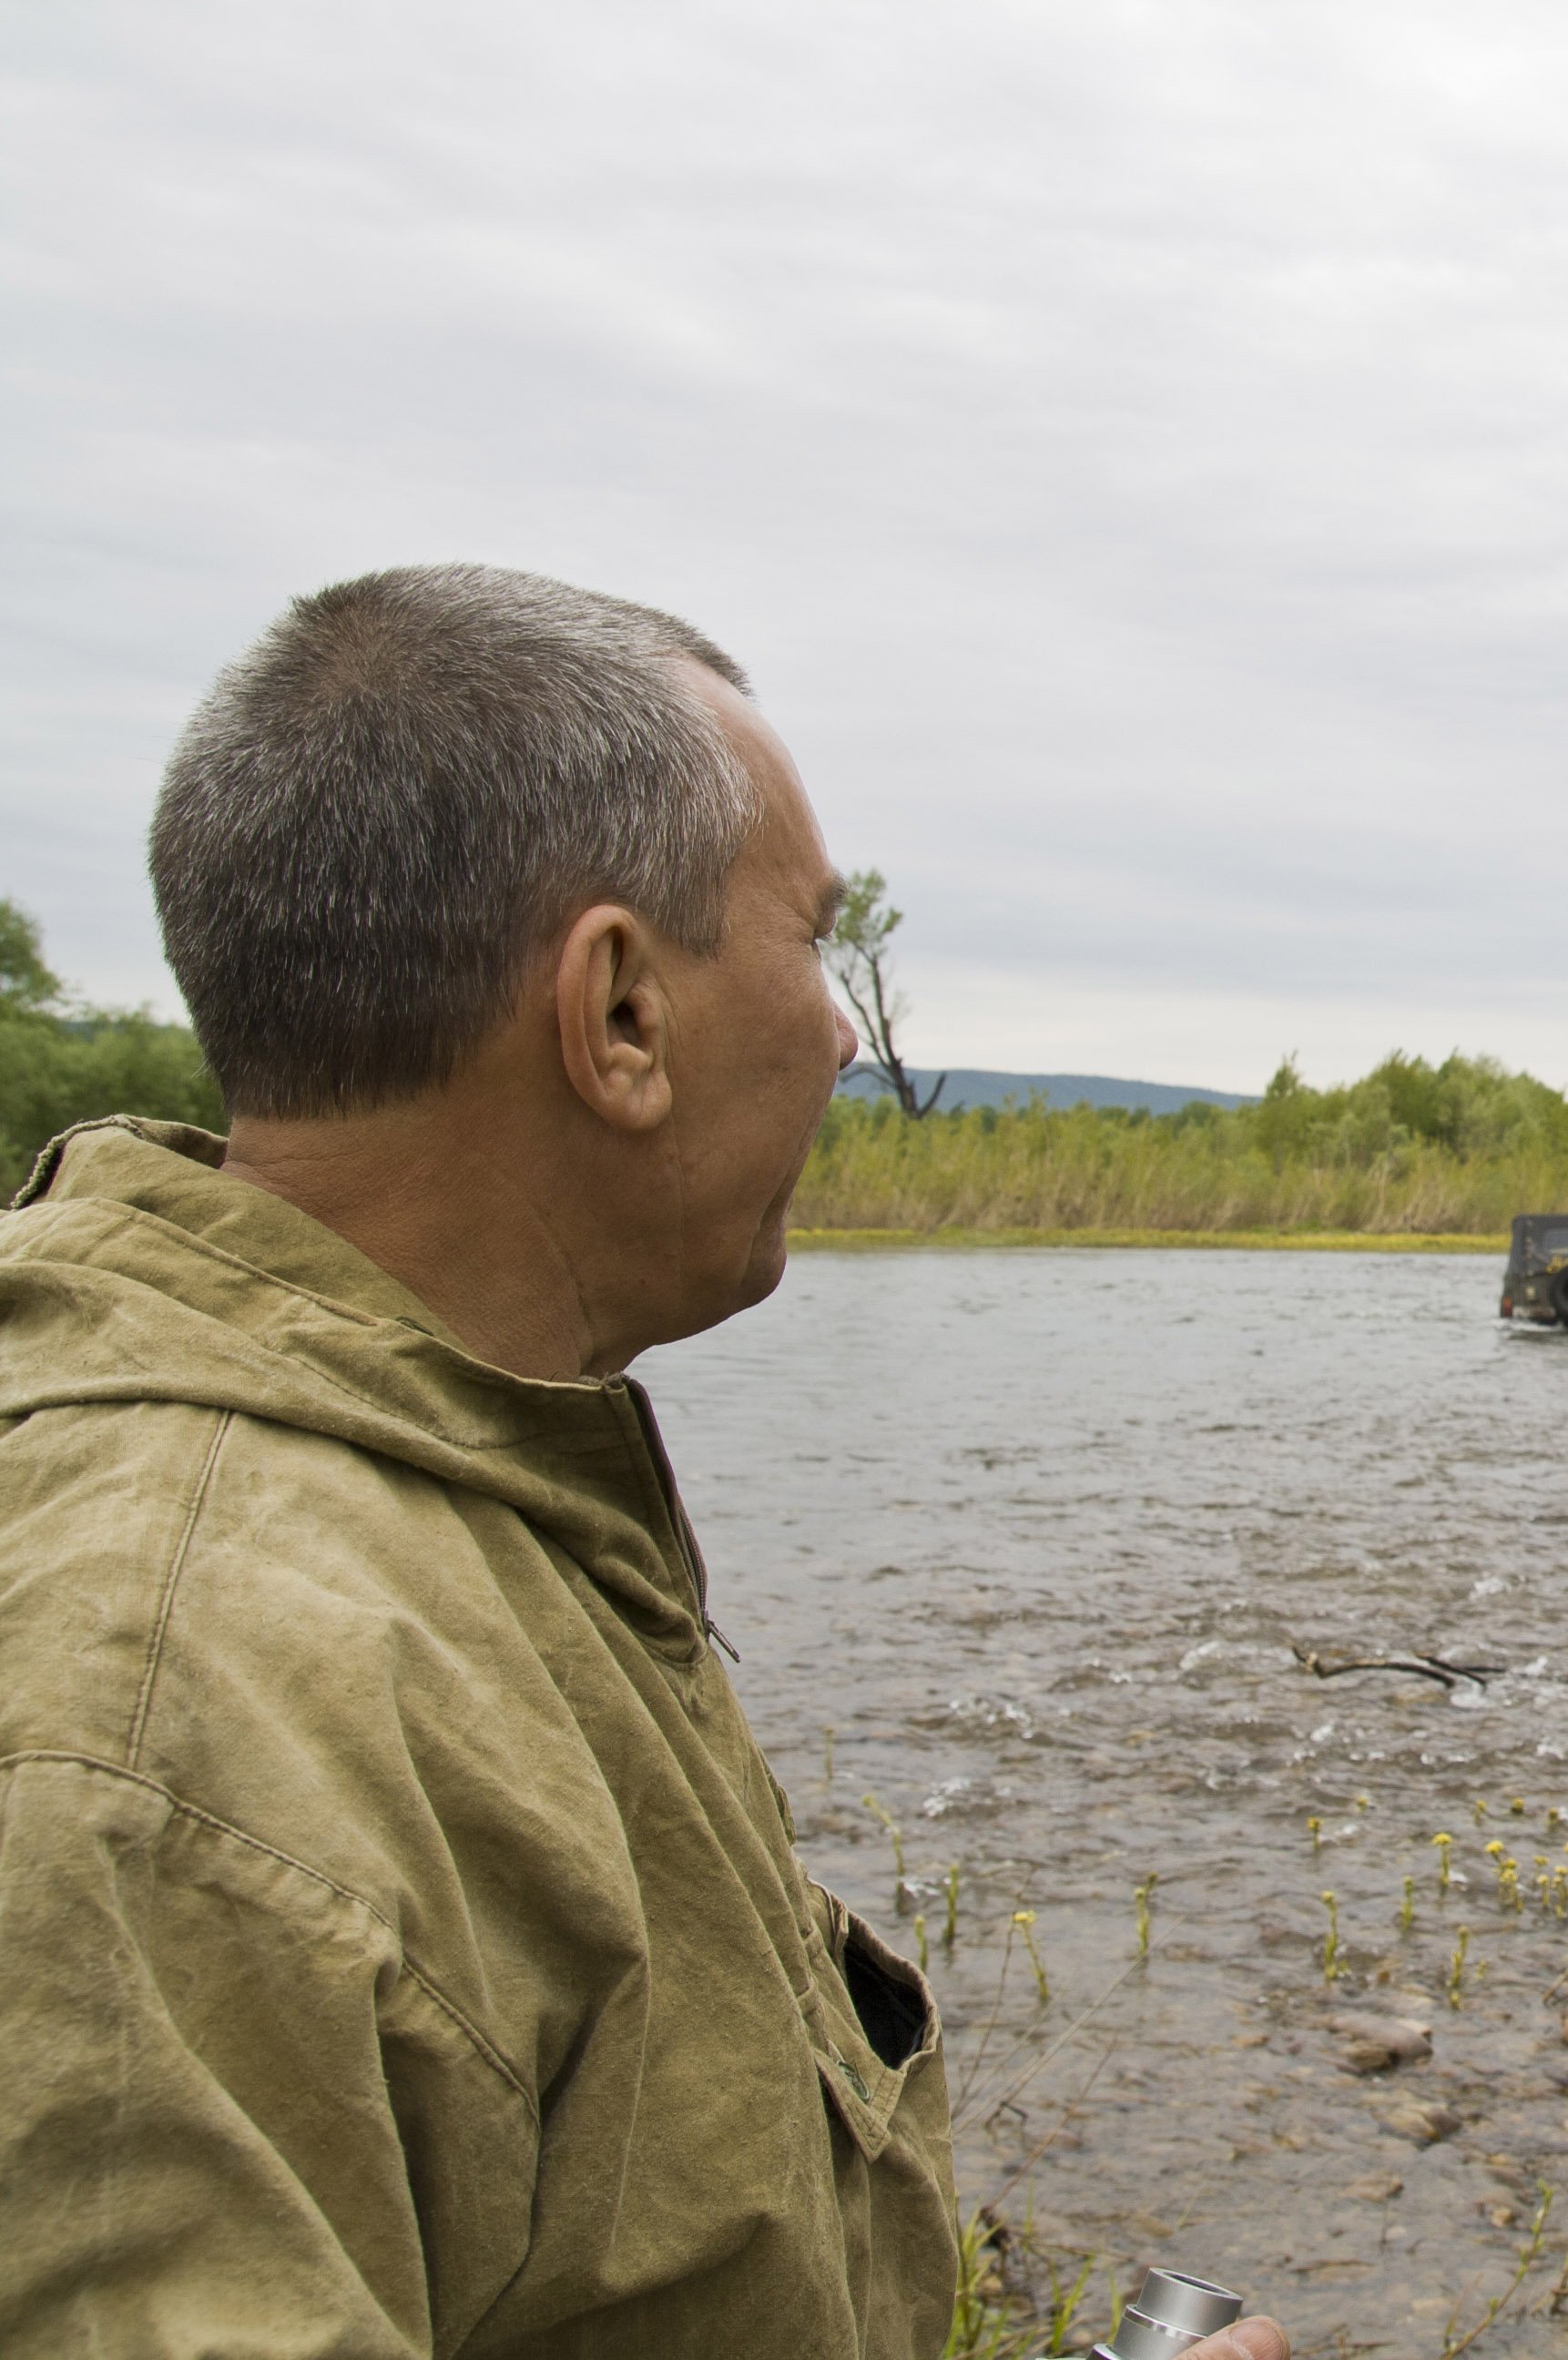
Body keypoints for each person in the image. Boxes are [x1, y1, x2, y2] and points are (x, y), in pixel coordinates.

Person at [0, 565, 1289, 2359]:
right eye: (809, 943)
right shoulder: (169, 1709)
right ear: (618, 1013)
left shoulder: (428, 1491)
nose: (842, 1031)